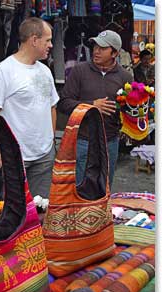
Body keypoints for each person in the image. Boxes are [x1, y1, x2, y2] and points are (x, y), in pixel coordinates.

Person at [0, 17, 59, 199]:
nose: (50, 45)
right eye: (47, 40)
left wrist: (51, 142)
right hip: (14, 158)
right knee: (13, 213)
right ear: (34, 40)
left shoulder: (45, 71)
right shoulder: (3, 72)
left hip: (44, 156)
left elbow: (52, 107)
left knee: (41, 210)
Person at [57, 30, 133, 188]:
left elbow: (128, 109)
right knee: (80, 187)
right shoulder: (79, 71)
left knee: (104, 187)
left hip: (110, 141)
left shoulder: (125, 77)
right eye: (95, 46)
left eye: (102, 48)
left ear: (115, 53)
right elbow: (63, 103)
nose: (96, 51)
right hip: (84, 139)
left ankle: (100, 213)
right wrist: (91, 105)